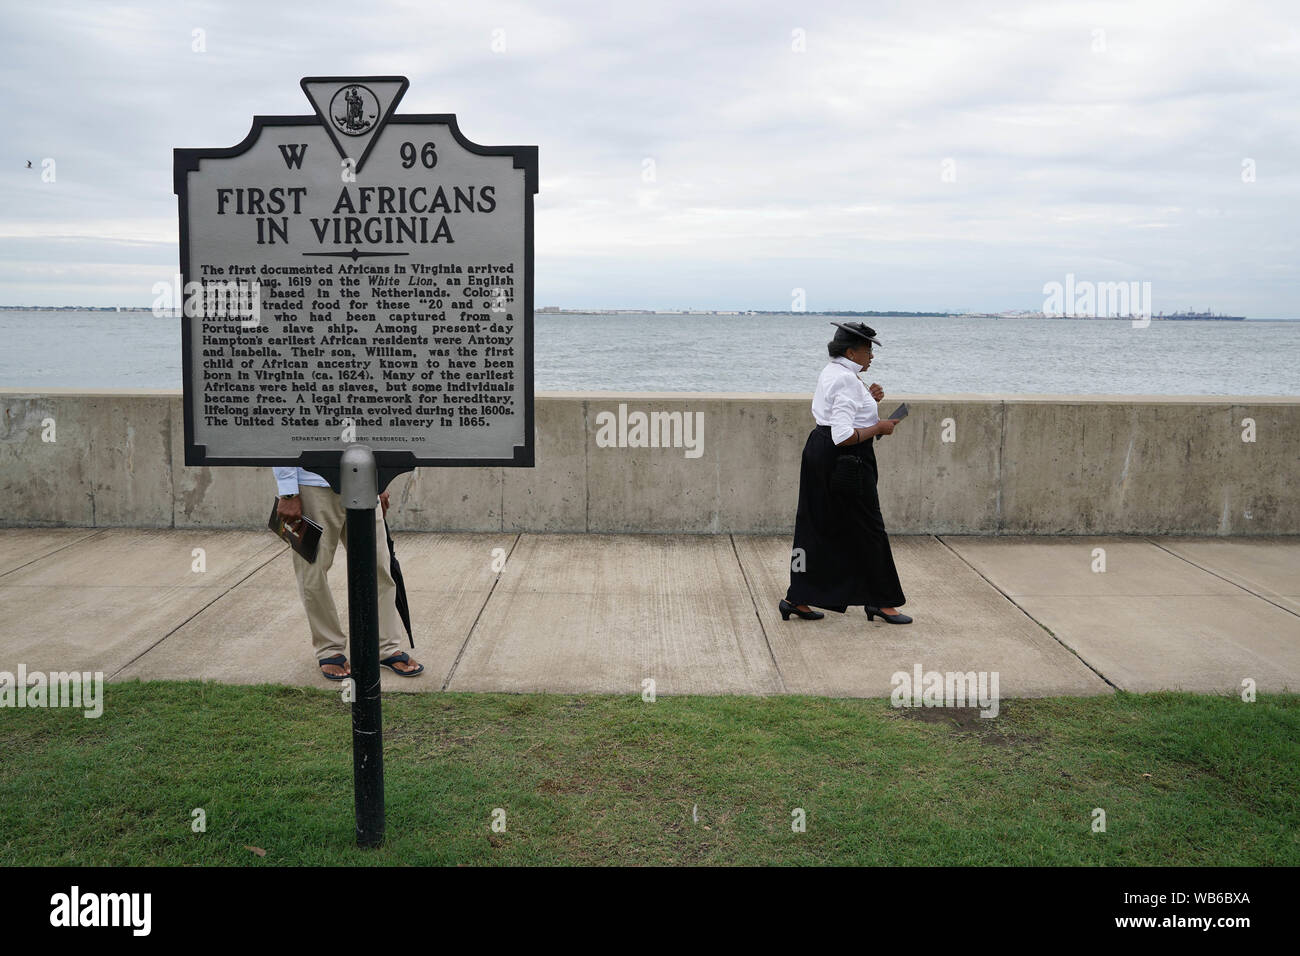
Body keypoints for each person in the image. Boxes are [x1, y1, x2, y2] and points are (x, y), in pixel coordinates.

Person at [781, 322, 912, 625]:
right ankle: (883, 601)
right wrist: (880, 426)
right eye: (868, 351)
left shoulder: (834, 372)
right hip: (846, 460)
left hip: (819, 451)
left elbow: (836, 417)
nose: (871, 357)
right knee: (869, 528)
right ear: (852, 352)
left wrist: (870, 402)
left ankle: (796, 598)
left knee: (816, 525)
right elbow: (842, 435)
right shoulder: (848, 381)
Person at [273, 467, 425, 679]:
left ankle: (385, 647)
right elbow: (283, 434)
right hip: (312, 485)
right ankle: (329, 648)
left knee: (379, 567)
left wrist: (380, 480)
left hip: (363, 482)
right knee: (313, 573)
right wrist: (288, 492)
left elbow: (372, 433)